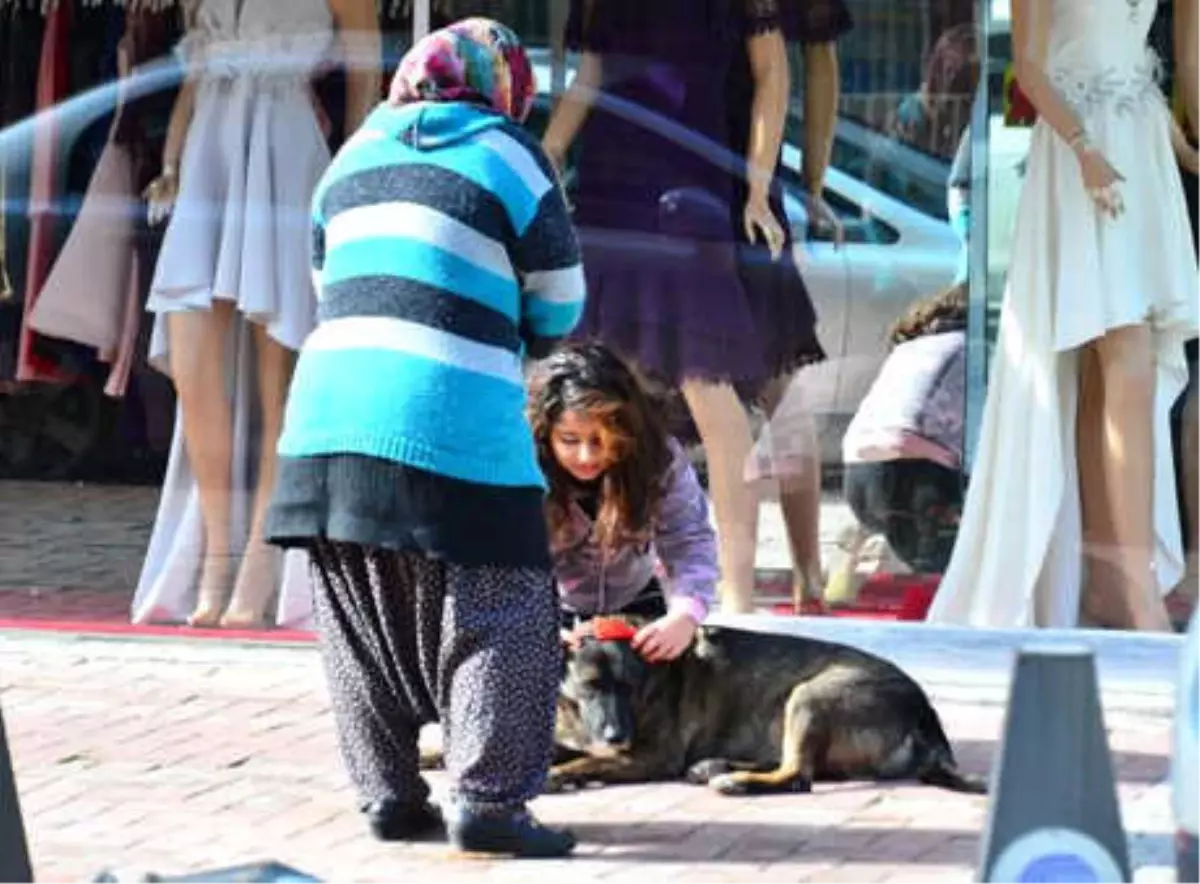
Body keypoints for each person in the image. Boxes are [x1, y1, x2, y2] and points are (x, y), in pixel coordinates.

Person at [263, 19, 584, 856]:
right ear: (505, 85)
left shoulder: (350, 157)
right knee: (502, 606)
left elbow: (330, 282)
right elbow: (560, 300)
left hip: (328, 420)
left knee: (361, 614)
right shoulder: (510, 153)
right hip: (446, 416)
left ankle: (390, 799)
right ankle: (489, 802)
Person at [540, 0, 851, 615]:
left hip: (712, 190)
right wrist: (545, 155)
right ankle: (664, 578)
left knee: (745, 381)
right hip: (618, 188)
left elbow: (785, 74)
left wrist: (770, 188)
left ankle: (763, 584)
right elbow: (590, 75)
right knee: (621, 378)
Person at [927, 0, 1200, 631]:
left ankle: (1104, 585)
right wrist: (1082, 147)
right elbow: (1027, 67)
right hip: (1082, 154)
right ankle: (1136, 594)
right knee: (1125, 360)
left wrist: (1176, 135)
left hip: (1140, 141)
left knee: (1108, 373)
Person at [527, 342, 718, 660]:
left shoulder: (659, 460)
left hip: (638, 607)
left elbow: (689, 538)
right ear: (546, 432)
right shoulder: (523, 468)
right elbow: (509, 558)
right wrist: (532, 624)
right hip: (551, 610)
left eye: (600, 441)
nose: (586, 456)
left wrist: (685, 615)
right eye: (570, 440)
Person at [832, 284, 967, 594]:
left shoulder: (911, 349)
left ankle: (863, 539)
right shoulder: (971, 349)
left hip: (856, 472)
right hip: (912, 479)